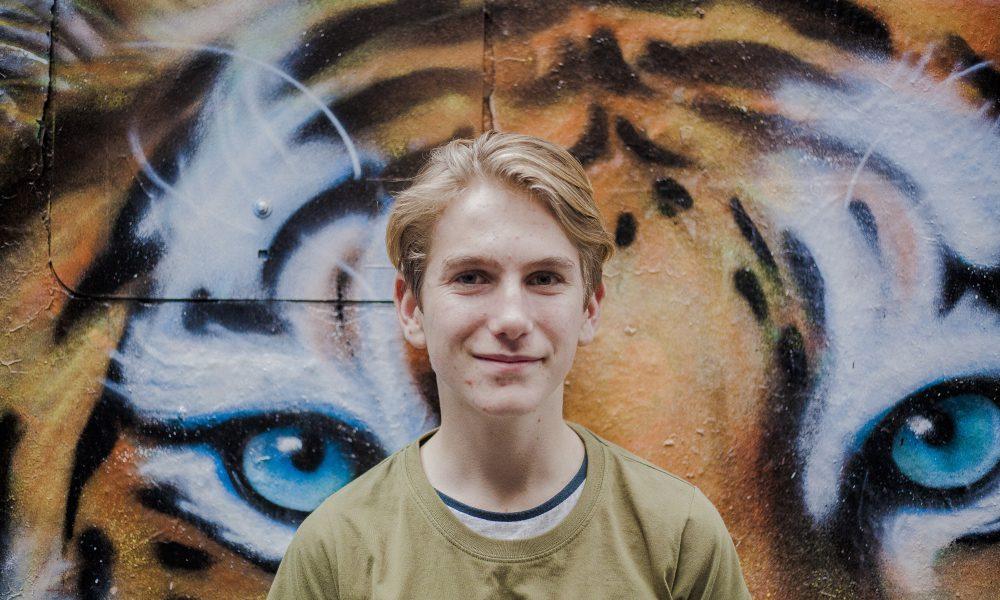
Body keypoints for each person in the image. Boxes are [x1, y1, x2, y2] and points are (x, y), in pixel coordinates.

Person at [267, 131, 751, 599]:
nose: (512, 319)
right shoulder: (335, 552)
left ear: (589, 308)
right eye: (472, 277)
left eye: (544, 278)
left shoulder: (678, 535)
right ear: (412, 309)